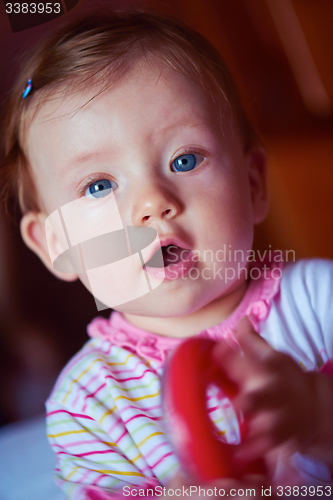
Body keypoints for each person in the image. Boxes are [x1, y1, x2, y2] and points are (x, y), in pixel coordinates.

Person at [1, 9, 332, 499]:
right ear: (57, 246)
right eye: (98, 185)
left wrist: (319, 414)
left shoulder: (319, 303)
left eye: (185, 159)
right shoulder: (90, 405)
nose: (153, 203)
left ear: (253, 183)